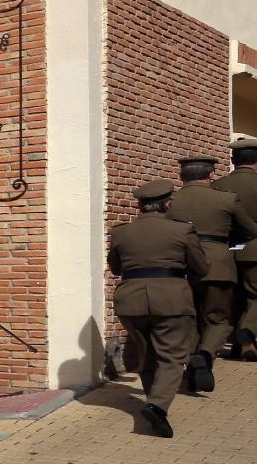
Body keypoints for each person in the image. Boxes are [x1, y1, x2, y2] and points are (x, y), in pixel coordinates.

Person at [108, 180, 208, 438]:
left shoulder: (121, 232)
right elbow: (201, 268)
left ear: (139, 206)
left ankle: (154, 406)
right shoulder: (182, 231)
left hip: (130, 300)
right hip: (171, 299)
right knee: (172, 357)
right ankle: (157, 406)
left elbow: (116, 269)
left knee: (148, 356)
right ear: (168, 204)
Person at [169, 154, 257, 391]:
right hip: (218, 264)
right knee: (218, 320)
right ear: (210, 175)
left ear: (181, 176)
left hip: (181, 264)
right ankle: (206, 356)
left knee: (190, 320)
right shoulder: (226, 200)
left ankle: (191, 369)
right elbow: (250, 230)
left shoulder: (170, 201)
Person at [213, 136, 257, 362]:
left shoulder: (217, 185)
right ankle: (247, 333)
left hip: (224, 250)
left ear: (232, 159)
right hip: (255, 249)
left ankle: (243, 348)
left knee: (237, 298)